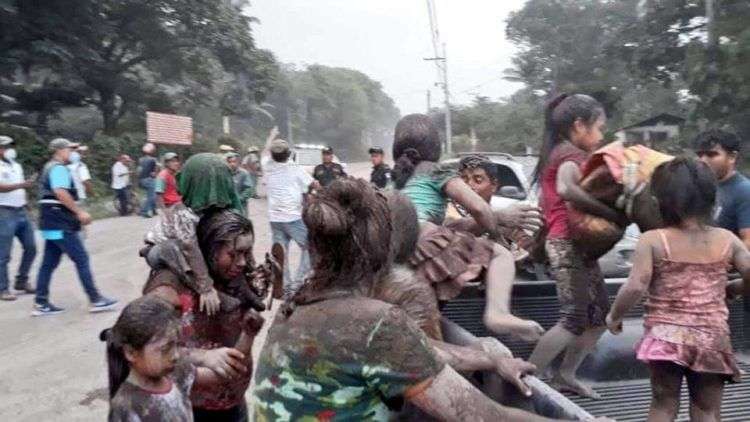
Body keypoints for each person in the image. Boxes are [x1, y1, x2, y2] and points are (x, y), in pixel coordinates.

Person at [255, 178, 588, 422]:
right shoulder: (377, 321)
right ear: (388, 252)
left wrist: (487, 355)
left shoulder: (295, 306)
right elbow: (486, 417)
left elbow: (418, 351)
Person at [607, 157, 750, 421]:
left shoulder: (653, 240)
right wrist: (736, 287)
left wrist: (614, 316)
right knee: (706, 409)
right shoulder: (727, 240)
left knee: (663, 404)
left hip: (665, 338)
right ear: (711, 198)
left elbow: (636, 284)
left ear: (662, 201)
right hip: (711, 339)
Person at [391, 114, 543, 342]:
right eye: (467, 179)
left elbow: (450, 225)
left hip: (400, 249)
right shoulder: (437, 171)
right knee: (499, 254)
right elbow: (480, 209)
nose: (470, 184)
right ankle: (498, 313)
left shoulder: (397, 180)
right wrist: (496, 237)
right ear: (436, 147)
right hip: (426, 237)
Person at [527, 94, 624, 399]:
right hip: (565, 242)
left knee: (600, 317)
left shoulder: (559, 151)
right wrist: (611, 213)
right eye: (599, 127)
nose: (601, 135)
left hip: (577, 245)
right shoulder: (568, 153)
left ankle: (565, 375)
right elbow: (566, 188)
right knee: (573, 318)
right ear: (579, 126)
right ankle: (526, 379)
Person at [144, 209, 268, 422]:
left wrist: (248, 333)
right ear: (210, 250)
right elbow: (146, 351)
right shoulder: (168, 289)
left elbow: (232, 356)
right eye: (233, 254)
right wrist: (202, 356)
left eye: (246, 254)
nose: (241, 262)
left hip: (232, 404)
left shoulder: (235, 278)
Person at [103, 295, 264, 422]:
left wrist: (248, 335)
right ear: (131, 353)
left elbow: (223, 375)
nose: (175, 355)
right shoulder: (126, 407)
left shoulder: (175, 373)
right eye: (165, 349)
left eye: (175, 345)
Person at [143, 153, 246, 318]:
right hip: (161, 249)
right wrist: (205, 286)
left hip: (191, 245)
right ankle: (205, 290)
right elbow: (190, 246)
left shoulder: (220, 211)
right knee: (174, 248)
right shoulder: (183, 212)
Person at [33, 138, 117, 316]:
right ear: (60, 151)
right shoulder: (59, 168)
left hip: (50, 222)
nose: (73, 153)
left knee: (48, 263)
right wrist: (79, 212)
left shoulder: (49, 167)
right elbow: (60, 192)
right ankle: (95, 299)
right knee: (81, 259)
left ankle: (41, 302)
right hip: (60, 221)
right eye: (71, 150)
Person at [261, 127, 317, 296]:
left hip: (275, 219)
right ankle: (298, 283)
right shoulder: (294, 168)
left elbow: (264, 151)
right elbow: (314, 185)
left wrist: (271, 135)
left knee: (281, 252)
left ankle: (285, 287)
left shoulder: (267, 165)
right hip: (292, 218)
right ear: (288, 154)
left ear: (273, 155)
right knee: (310, 246)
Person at [694, 129, 750, 249]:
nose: (703, 160)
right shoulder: (699, 187)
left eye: (711, 154)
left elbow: (748, 241)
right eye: (700, 155)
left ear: (732, 157)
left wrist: (718, 262)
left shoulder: (744, 191)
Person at [0, 135, 36, 300]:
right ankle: (3, 288)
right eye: (6, 147)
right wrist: (22, 185)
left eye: (10, 146)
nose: (10, 150)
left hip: (21, 210)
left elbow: (22, 189)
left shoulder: (17, 166)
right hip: (4, 212)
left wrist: (28, 207)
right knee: (3, 254)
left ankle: (21, 280)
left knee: (31, 247)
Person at [138, 143, 159, 218]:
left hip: (141, 180)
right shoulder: (153, 160)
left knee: (151, 195)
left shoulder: (140, 160)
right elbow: (154, 173)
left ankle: (153, 210)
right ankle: (144, 211)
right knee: (152, 196)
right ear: (152, 151)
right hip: (149, 179)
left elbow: (139, 170)